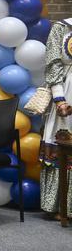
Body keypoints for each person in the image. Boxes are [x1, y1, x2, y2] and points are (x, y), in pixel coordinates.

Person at [40, 18, 72, 216]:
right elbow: (54, 64)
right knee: (63, 143)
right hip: (68, 91)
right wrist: (59, 99)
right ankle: (61, 206)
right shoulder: (62, 28)